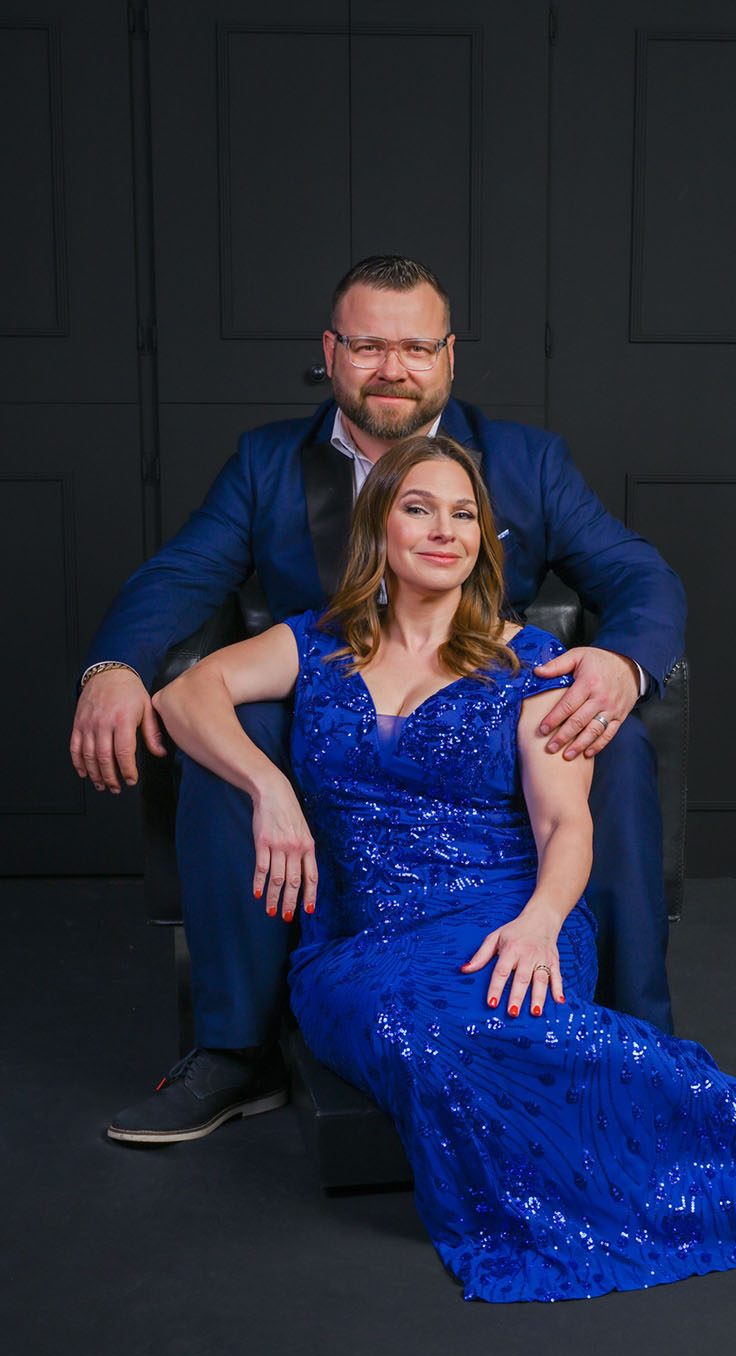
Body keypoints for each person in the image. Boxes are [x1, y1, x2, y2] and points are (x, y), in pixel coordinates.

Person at [150, 433, 736, 1303]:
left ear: (483, 540)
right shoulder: (316, 644)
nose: (443, 530)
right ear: (378, 527)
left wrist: (542, 921)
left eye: (463, 515)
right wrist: (268, 788)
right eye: (418, 509)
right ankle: (728, 1189)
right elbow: (183, 696)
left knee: (520, 1023)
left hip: (510, 914)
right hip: (360, 948)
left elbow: (566, 827)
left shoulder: (530, 667)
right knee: (423, 1034)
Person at [71, 256, 686, 1143]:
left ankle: (639, 1032)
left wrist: (622, 665)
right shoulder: (267, 462)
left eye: (415, 347)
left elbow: (639, 575)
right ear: (330, 352)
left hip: (479, 713)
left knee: (602, 735)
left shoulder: (528, 460)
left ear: (447, 357)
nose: (392, 368)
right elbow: (182, 573)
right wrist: (114, 668)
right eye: (367, 346)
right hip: (323, 704)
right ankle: (234, 1053)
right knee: (230, 738)